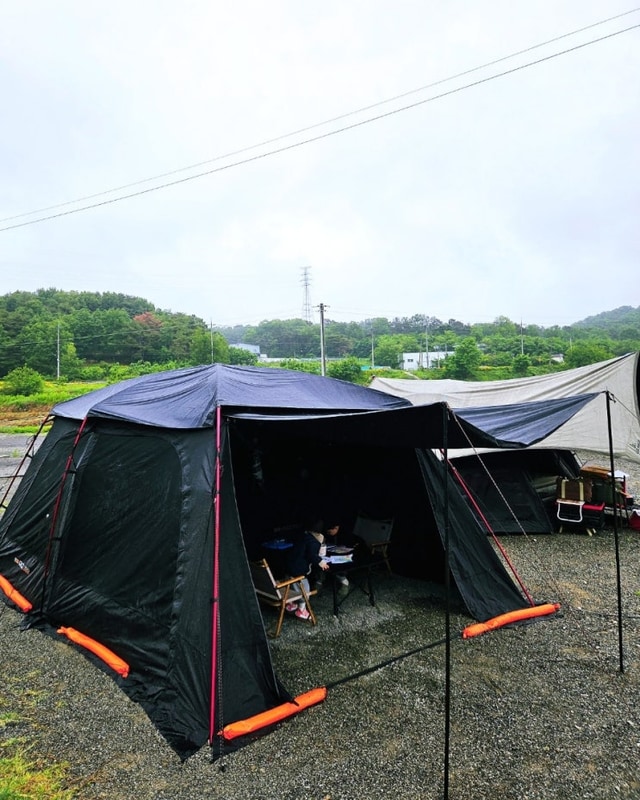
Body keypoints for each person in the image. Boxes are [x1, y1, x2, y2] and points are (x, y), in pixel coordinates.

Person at [284, 520, 329, 619]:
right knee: (304, 589)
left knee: (291, 586)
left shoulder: (302, 536)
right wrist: (321, 562)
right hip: (299, 570)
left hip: (290, 566)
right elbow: (312, 555)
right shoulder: (313, 541)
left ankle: (292, 604)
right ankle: (301, 610)